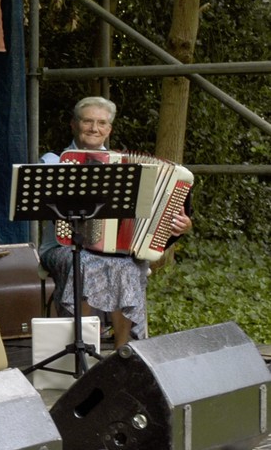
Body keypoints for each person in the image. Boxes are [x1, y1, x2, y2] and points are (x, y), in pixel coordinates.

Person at [38, 95, 192, 349]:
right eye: (87, 121)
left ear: (109, 129)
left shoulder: (125, 166)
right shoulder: (53, 162)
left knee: (129, 266)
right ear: (73, 125)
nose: (94, 128)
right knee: (83, 263)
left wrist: (181, 225)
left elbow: (154, 212)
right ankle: (83, 350)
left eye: (101, 123)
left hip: (116, 251)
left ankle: (124, 352)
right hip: (62, 247)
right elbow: (40, 208)